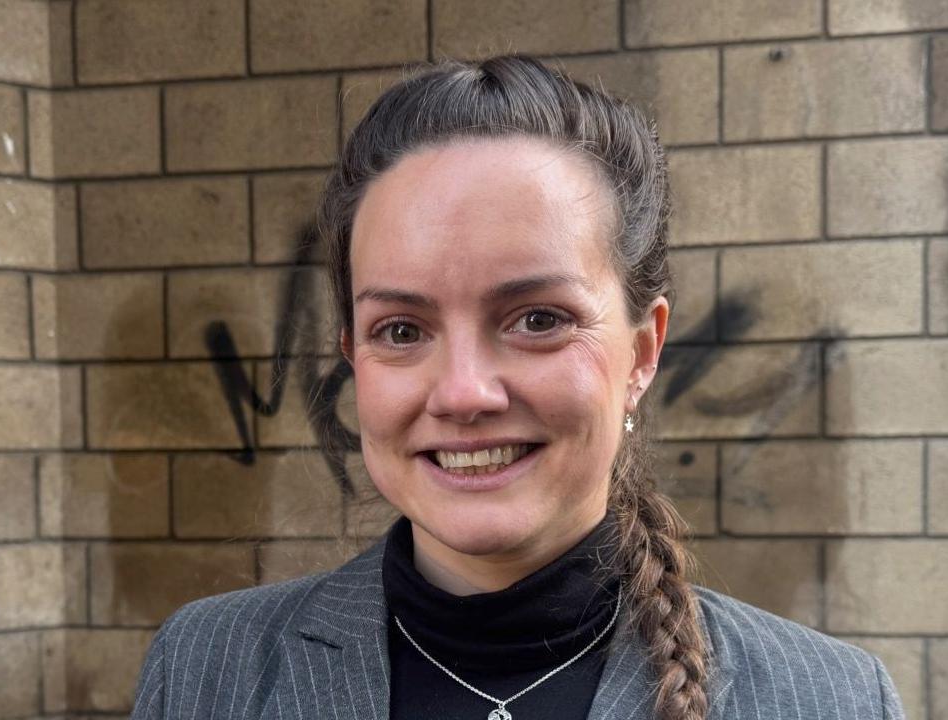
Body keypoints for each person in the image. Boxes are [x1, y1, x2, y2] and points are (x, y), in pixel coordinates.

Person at [130, 55, 905, 720]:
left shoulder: (829, 698)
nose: (464, 393)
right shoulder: (208, 672)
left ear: (641, 351)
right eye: (402, 330)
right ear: (353, 358)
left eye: (537, 318)